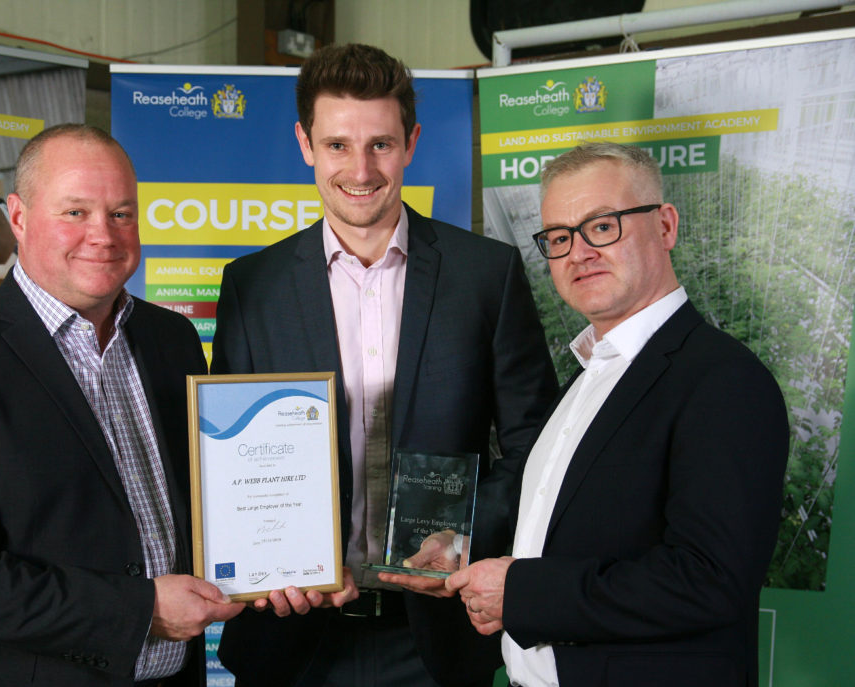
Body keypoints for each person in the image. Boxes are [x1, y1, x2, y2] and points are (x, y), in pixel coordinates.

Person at [211, 44, 558, 687]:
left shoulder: (486, 275)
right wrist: (266, 557)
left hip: (436, 636)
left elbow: (536, 446)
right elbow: (232, 466)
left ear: (411, 143)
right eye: (337, 145)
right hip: (293, 638)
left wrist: (465, 533)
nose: (361, 169)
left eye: (381, 145)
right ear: (305, 145)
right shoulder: (251, 286)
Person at [0, 124, 244, 687]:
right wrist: (140, 609)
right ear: (19, 218)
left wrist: (288, 567)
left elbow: (197, 509)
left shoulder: (170, 339)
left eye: (121, 213)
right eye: (75, 212)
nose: (104, 235)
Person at [446, 141, 789, 687]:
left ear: (665, 226)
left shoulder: (724, 380)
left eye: (602, 226)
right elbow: (564, 534)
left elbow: (709, 581)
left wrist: (523, 593)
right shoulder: (587, 378)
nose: (578, 253)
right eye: (559, 237)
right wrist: (458, 558)